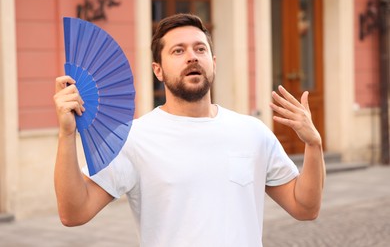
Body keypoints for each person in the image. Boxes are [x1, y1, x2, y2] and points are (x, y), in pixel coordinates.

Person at [53, 13, 325, 246]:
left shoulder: (252, 132)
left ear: (213, 63)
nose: (192, 57)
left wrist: (313, 145)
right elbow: (74, 213)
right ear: (158, 70)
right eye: (178, 51)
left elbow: (305, 208)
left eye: (200, 49)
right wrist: (66, 135)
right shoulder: (133, 138)